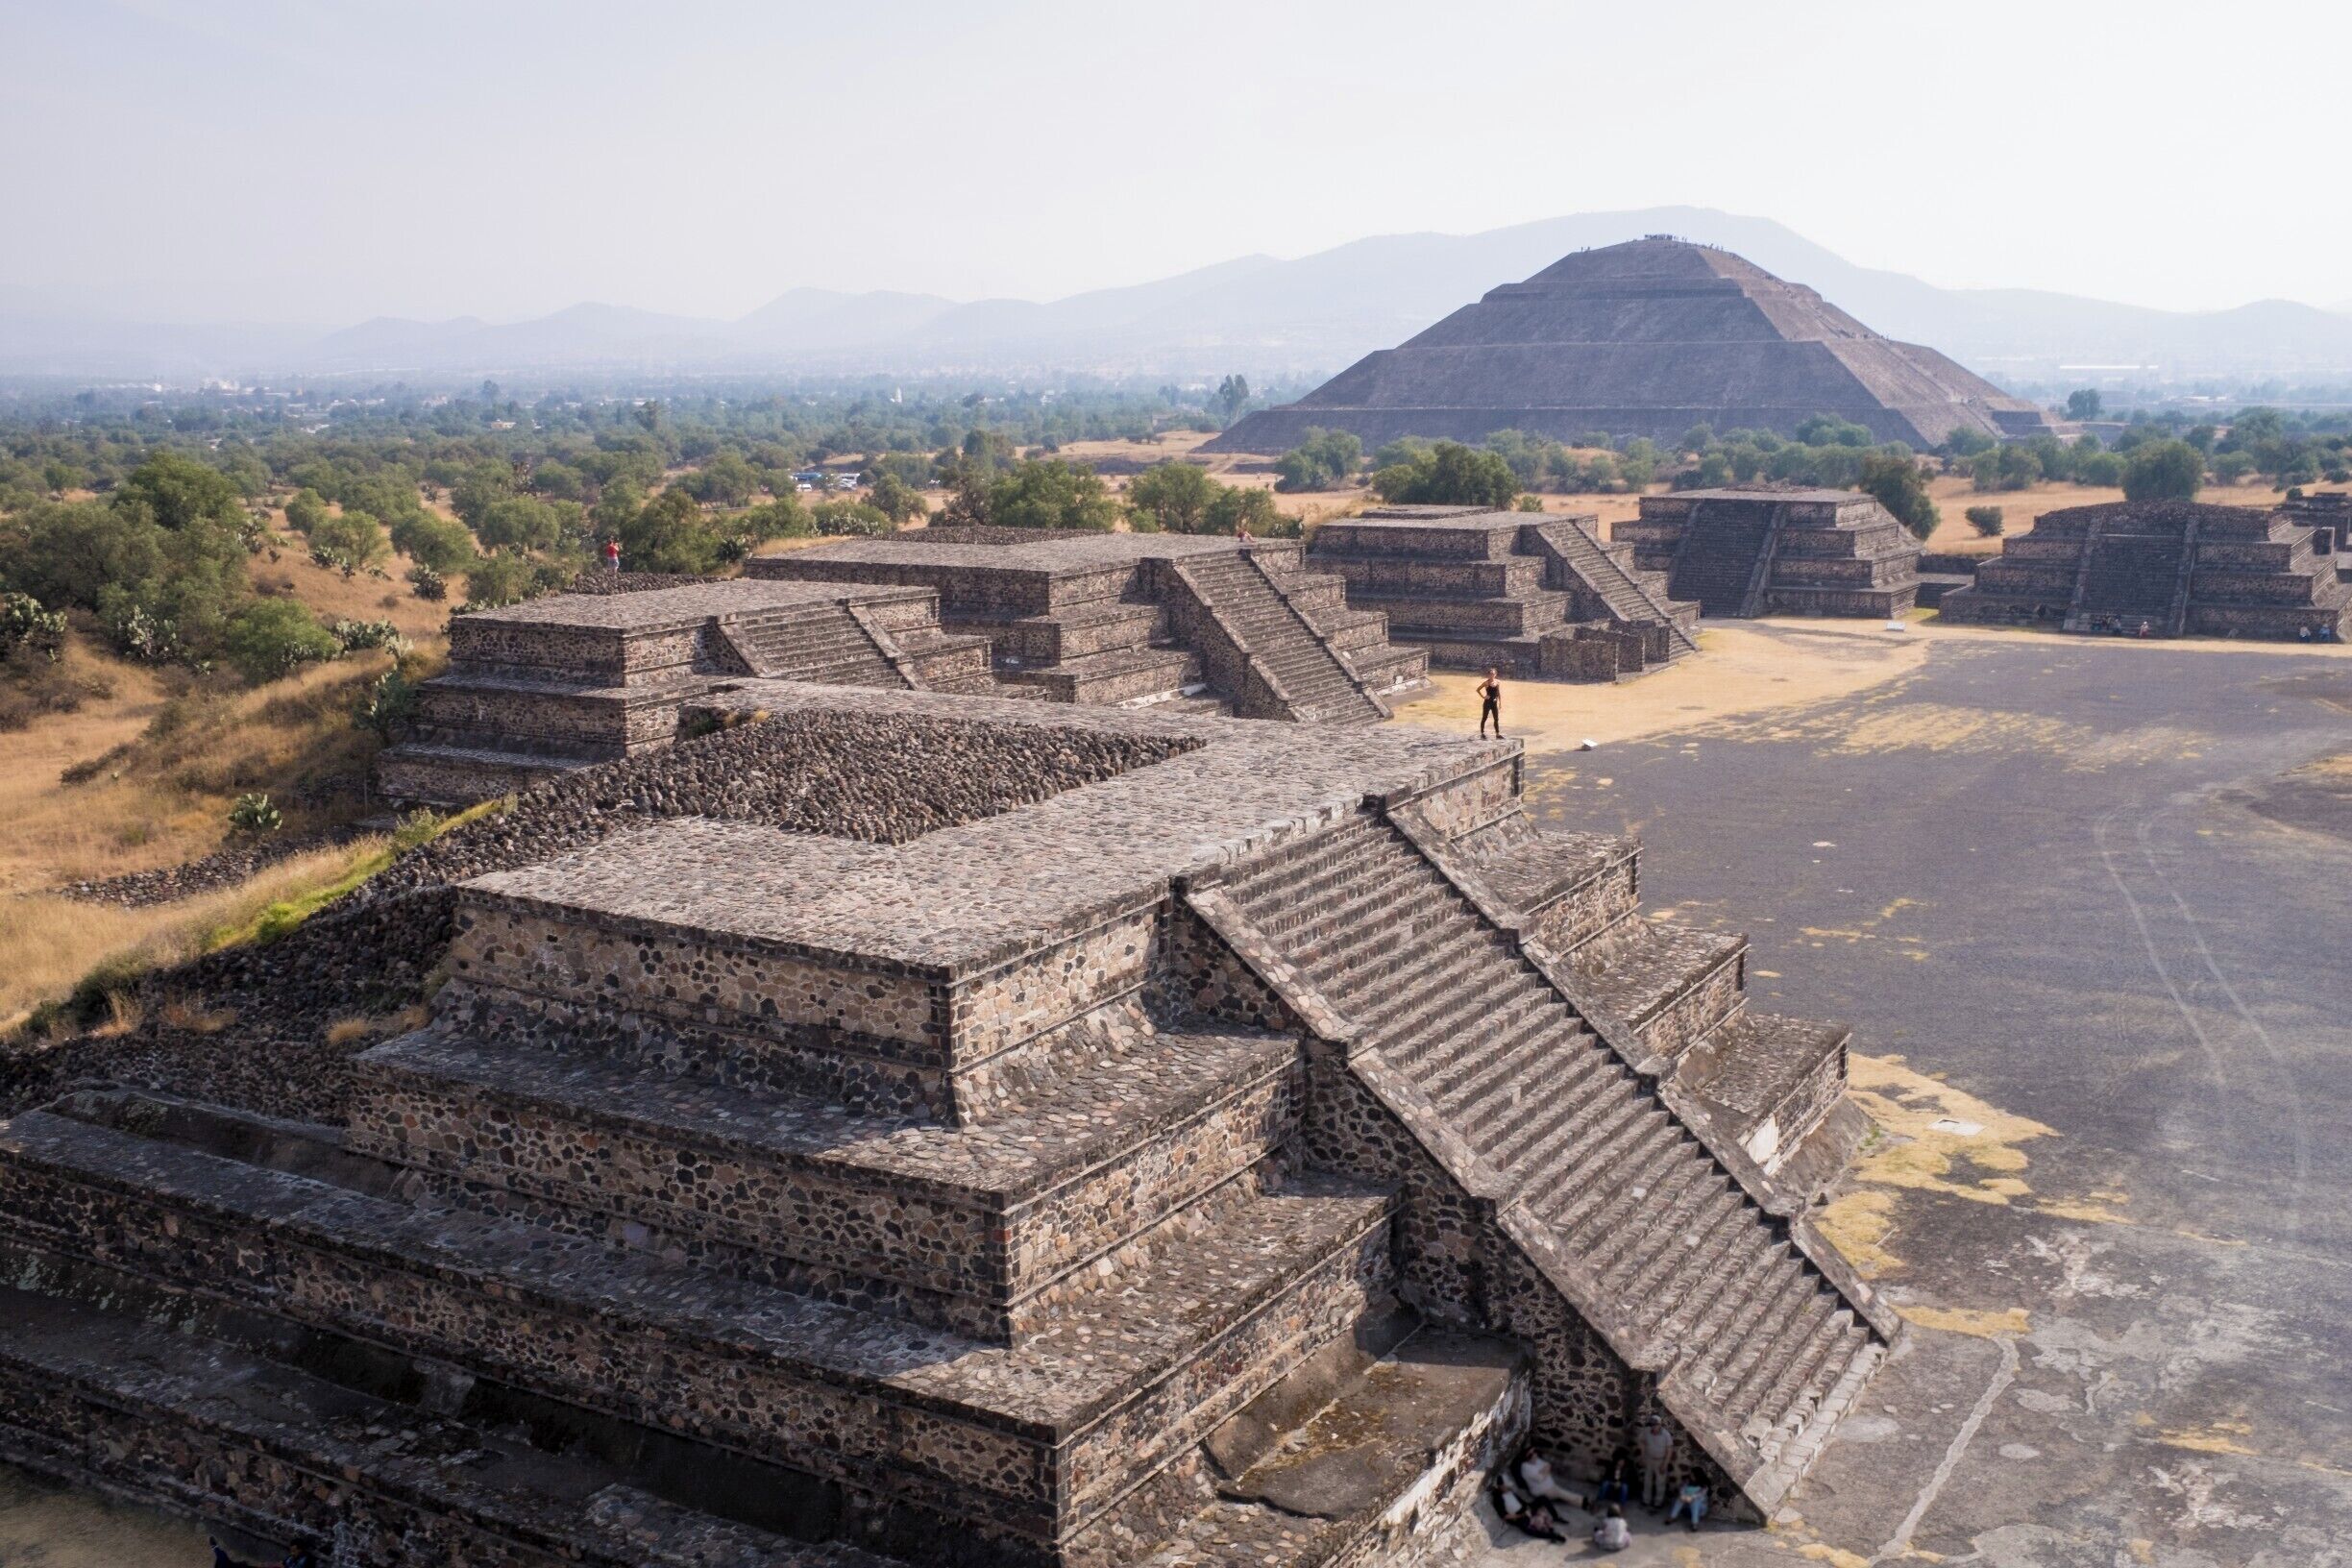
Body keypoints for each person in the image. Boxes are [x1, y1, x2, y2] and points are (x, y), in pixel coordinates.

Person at [1636, 1413, 1675, 1510]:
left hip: (1660, 1461)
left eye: (1655, 1425)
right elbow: (1641, 1442)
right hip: (1649, 1459)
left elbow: (1669, 1450)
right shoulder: (1647, 1431)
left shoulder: (1666, 1435)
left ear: (1659, 1425)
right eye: (1651, 1425)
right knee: (1647, 1481)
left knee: (1660, 1483)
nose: (1653, 1427)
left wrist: (1665, 1464)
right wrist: (1642, 1456)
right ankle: (1646, 1500)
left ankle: (1658, 1503)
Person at [1477, 668, 1502, 738]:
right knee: (1484, 718)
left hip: (1494, 703)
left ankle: (1497, 734)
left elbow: (1498, 693)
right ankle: (1482, 733)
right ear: (1488, 675)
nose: (1491, 675)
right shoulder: (1486, 683)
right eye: (1490, 674)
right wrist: (1483, 697)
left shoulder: (1498, 682)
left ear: (1495, 675)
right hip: (1487, 703)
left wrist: (1500, 703)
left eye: (1493, 674)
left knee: (1496, 719)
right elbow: (1478, 689)